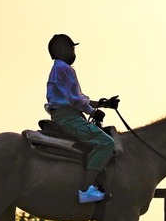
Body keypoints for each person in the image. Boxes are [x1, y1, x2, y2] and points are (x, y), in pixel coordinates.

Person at [44, 34, 117, 204]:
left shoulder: (59, 69)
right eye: (72, 48)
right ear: (62, 50)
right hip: (69, 118)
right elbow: (75, 100)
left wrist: (103, 104)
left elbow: (76, 97)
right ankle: (85, 190)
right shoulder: (63, 69)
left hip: (66, 114)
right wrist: (93, 112)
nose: (74, 52)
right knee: (106, 142)